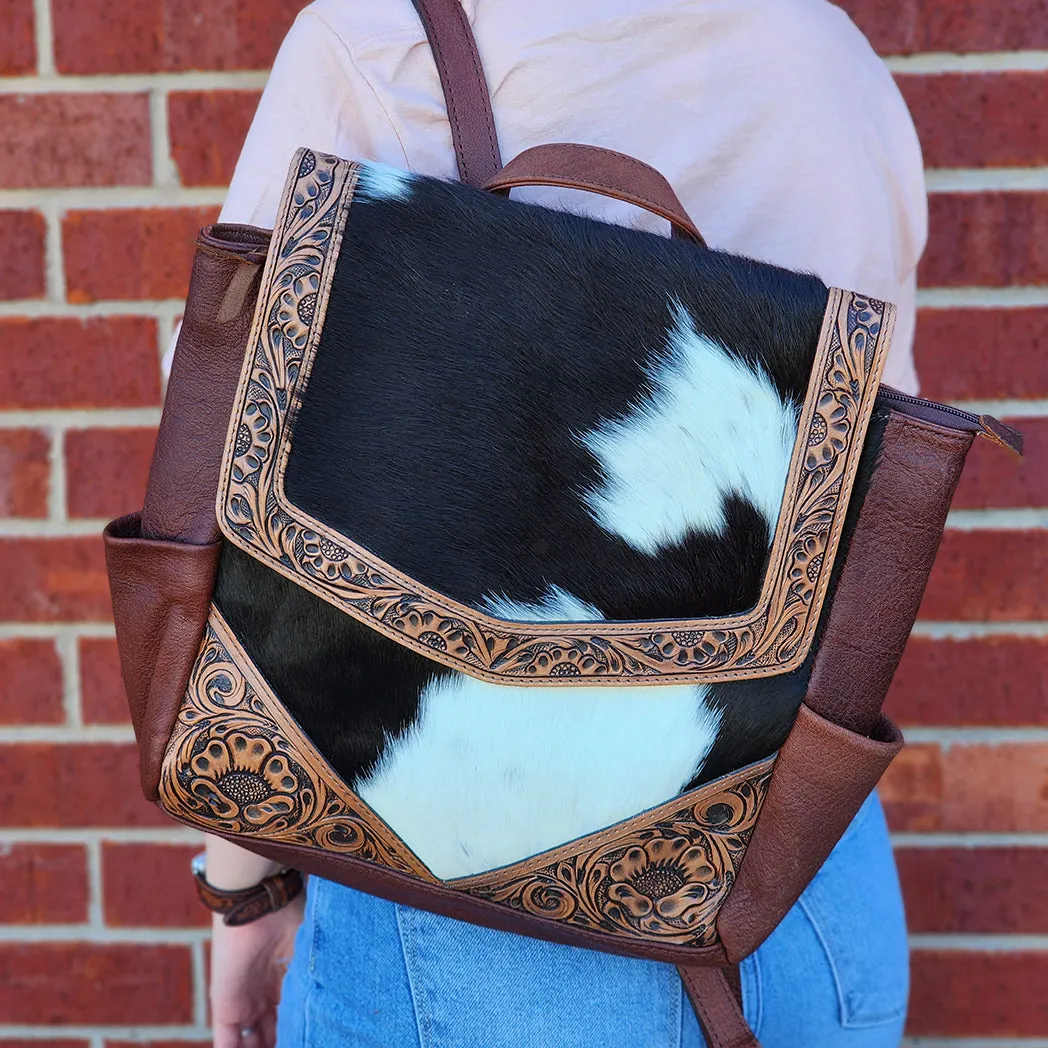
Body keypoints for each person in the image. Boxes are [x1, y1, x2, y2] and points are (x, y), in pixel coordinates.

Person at [195, 1, 926, 1045]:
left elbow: (236, 508)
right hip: (808, 887)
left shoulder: (373, 43)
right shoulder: (828, 51)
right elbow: (876, 487)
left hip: (464, 900)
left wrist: (244, 890)